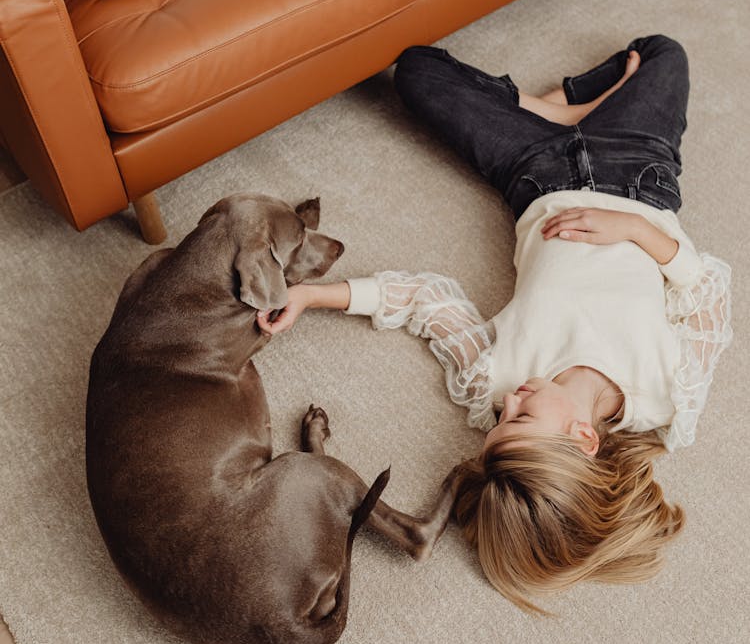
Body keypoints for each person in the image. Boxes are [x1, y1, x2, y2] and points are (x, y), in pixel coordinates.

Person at [257, 35, 732, 612]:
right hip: (640, 169)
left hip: (533, 172)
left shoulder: (493, 381)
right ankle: (574, 108)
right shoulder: (668, 397)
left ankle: (556, 110)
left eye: (499, 422)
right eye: (521, 416)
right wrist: (634, 231)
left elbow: (427, 302)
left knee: (416, 70)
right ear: (583, 438)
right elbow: (705, 287)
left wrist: (312, 295)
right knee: (665, 53)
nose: (509, 404)